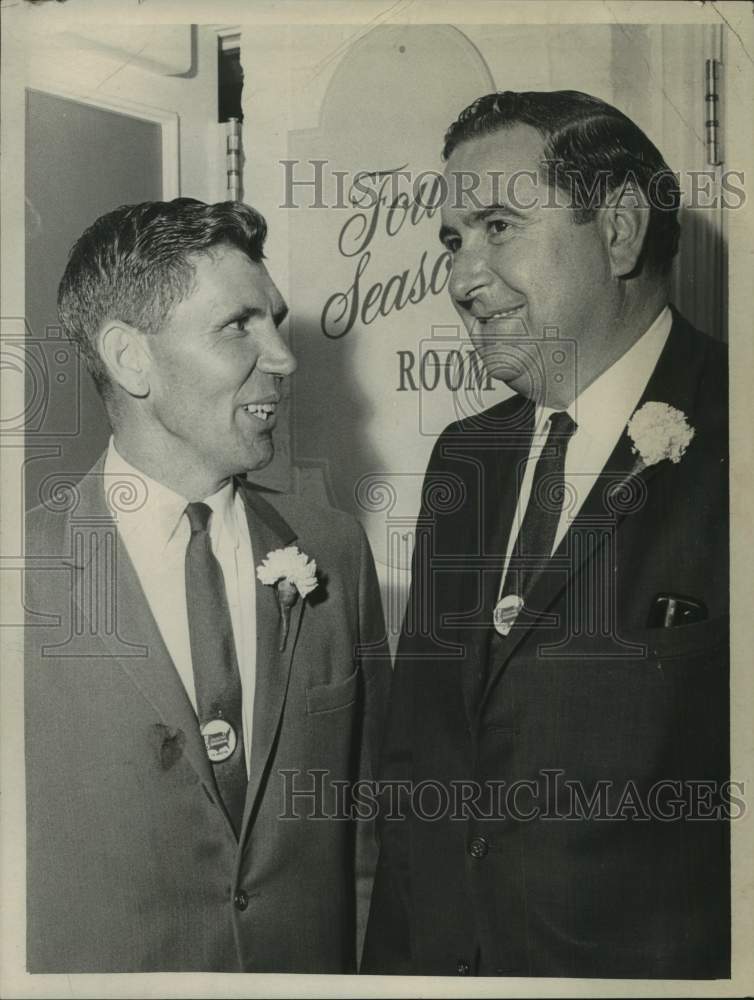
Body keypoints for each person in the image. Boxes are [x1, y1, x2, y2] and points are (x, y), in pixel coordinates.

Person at [362, 91, 729, 978]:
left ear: (620, 230)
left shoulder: (738, 431)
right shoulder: (464, 458)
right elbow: (419, 777)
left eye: (497, 226)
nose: (460, 278)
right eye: (454, 240)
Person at [24, 198, 391, 973]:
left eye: (275, 321)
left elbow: (373, 828)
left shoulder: (333, 549)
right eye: (238, 326)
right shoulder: (22, 571)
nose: (284, 358)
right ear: (130, 358)